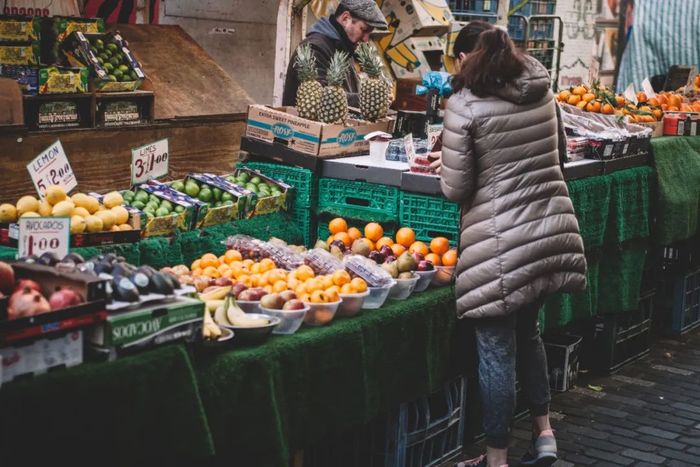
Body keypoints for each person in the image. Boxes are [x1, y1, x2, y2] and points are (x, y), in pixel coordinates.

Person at [437, 23, 588, 467]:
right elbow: (559, 152)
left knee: (496, 350)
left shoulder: (464, 106)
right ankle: (544, 435)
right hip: (547, 233)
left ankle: (496, 458)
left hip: (500, 246)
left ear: (466, 58)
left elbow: (455, 186)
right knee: (530, 334)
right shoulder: (541, 89)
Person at [282, 0, 388, 108]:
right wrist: (369, 99)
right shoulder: (314, 48)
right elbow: (320, 99)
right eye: (364, 30)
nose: (366, 40)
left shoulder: (344, 47)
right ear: (345, 19)